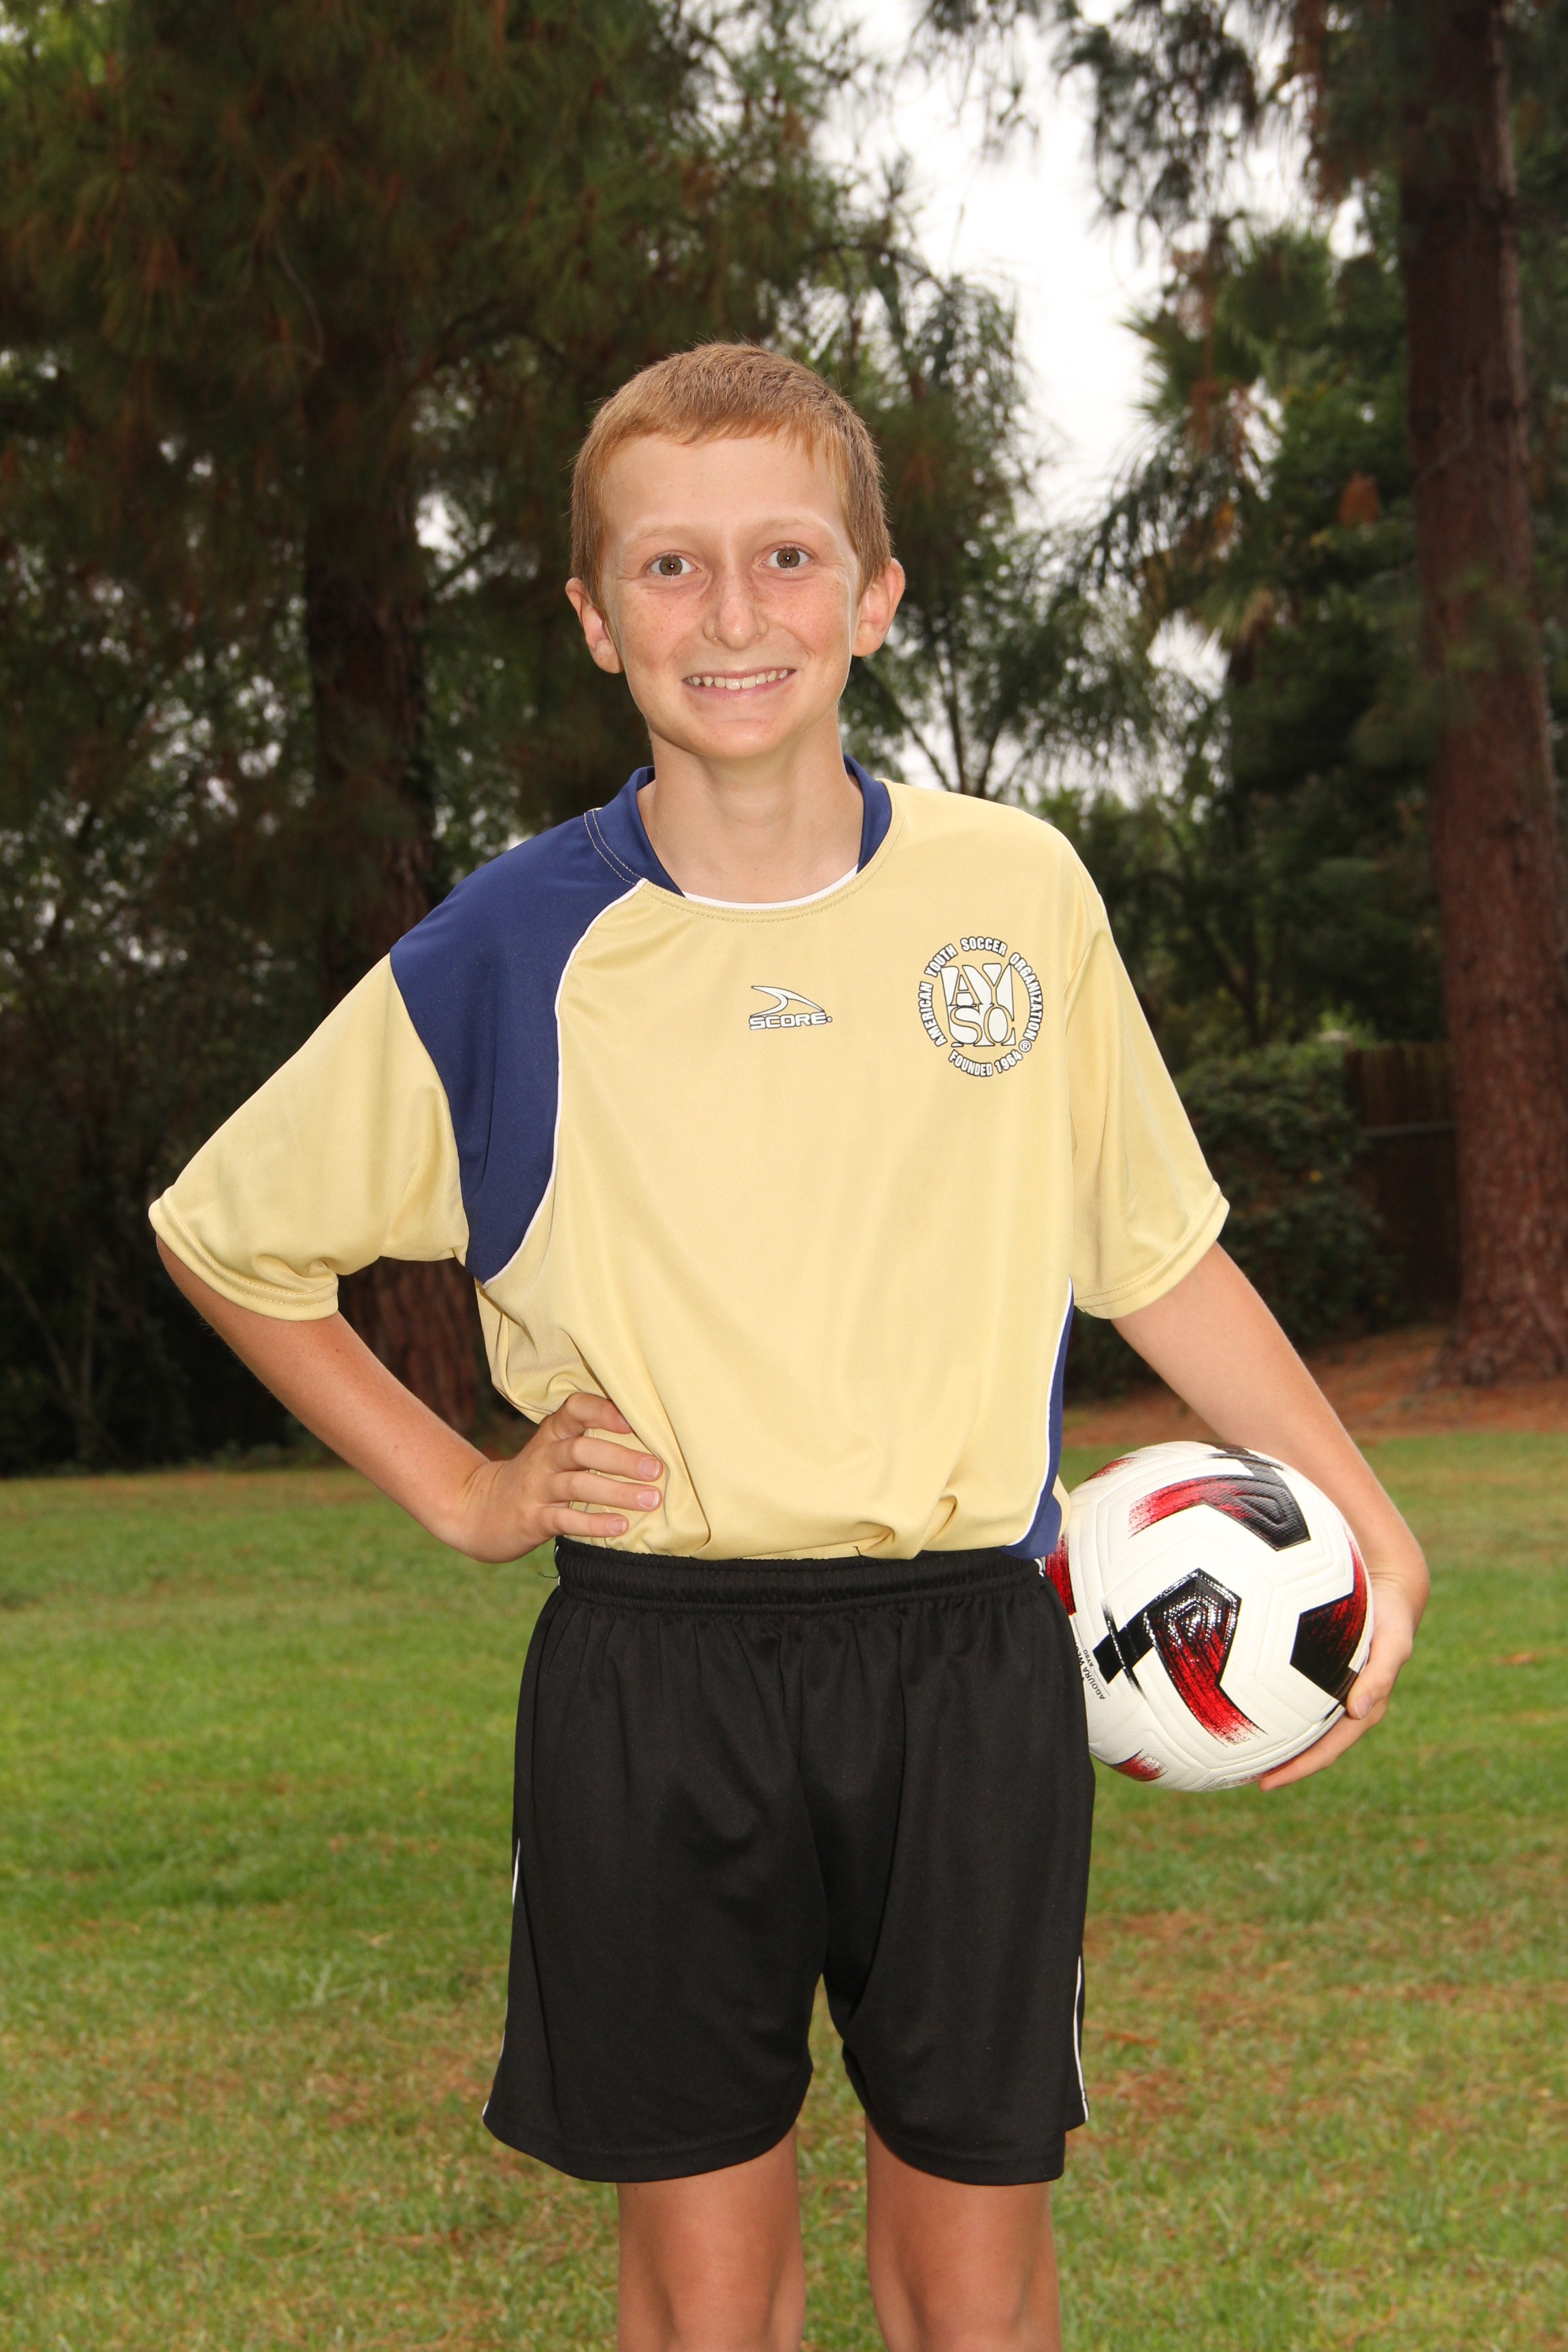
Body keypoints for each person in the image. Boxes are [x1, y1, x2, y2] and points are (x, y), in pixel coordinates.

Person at [152, 344, 1429, 2352]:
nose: (732, 611)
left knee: (976, 2296)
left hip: (973, 1656)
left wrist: (1369, 1517)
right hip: (655, 1673)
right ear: (595, 618)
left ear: (876, 594)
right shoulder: (512, 947)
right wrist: (468, 1493)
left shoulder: (1016, 892)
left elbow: (1159, 1259)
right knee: (706, 2302)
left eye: (787, 555)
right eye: (669, 565)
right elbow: (228, 1237)